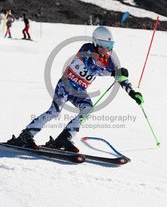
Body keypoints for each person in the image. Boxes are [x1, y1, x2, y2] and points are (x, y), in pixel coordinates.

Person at [7, 26, 144, 152]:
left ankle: (65, 137)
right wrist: (114, 73)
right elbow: (92, 69)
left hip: (79, 91)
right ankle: (26, 135)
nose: (106, 49)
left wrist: (132, 93)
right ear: (96, 42)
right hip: (65, 86)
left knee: (88, 109)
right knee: (54, 112)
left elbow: (121, 79)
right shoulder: (87, 49)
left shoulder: (109, 59)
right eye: (104, 45)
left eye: (110, 45)